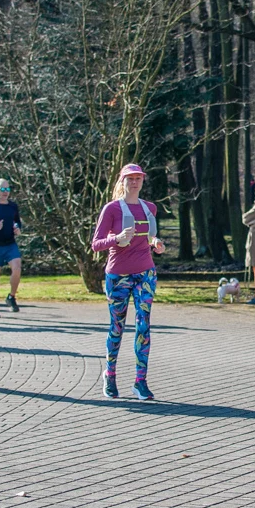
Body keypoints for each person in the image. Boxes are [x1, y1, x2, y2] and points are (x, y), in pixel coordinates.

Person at [91, 163, 167, 400]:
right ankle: (110, 375)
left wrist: (156, 245)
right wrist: (117, 238)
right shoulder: (112, 209)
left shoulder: (150, 208)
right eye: (130, 179)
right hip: (118, 275)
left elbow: (150, 237)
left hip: (145, 274)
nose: (134, 182)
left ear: (143, 181)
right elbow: (96, 244)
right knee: (117, 326)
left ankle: (140, 381)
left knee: (143, 326)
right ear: (122, 182)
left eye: (138, 178)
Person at [0, 178, 23, 318]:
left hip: (10, 243)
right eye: (2, 189)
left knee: (17, 267)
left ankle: (11, 297)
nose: (5, 192)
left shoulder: (13, 206)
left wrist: (17, 228)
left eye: (7, 189)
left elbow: (17, 221)